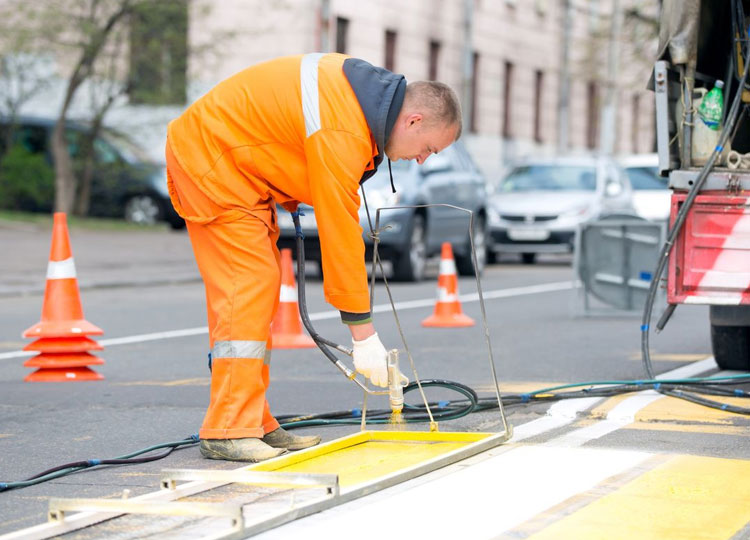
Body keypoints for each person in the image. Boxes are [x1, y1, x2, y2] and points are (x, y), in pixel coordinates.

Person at [165, 53, 462, 462]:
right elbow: (340, 229)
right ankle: (228, 429)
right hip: (214, 164)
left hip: (235, 168)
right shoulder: (348, 126)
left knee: (259, 292)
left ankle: (254, 421)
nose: (423, 159)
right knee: (246, 286)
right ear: (413, 121)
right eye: (429, 148)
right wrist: (363, 333)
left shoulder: (362, 103)